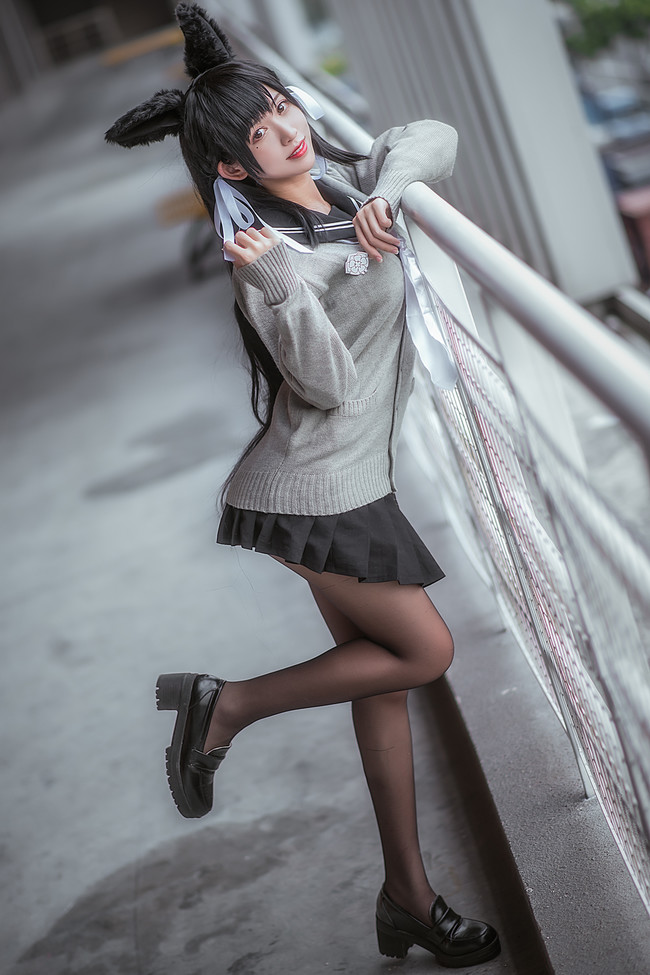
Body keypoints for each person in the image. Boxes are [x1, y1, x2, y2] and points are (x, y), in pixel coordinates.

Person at [106, 3, 501, 967]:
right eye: (259, 131)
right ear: (233, 169)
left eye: (282, 106)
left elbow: (432, 134)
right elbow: (324, 386)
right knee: (425, 651)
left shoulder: (335, 182)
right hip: (320, 491)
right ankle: (228, 705)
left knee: (380, 681)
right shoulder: (269, 258)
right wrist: (283, 286)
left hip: (338, 480)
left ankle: (407, 897)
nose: (285, 128)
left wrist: (386, 195)